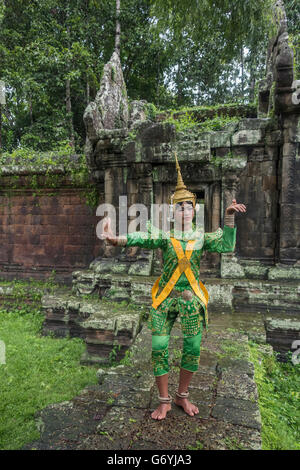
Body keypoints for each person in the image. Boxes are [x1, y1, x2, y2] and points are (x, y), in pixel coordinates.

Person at [102, 154, 246, 420]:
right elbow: (142, 238)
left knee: (192, 347)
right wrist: (115, 239)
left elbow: (226, 245)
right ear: (172, 211)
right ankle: (164, 400)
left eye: (188, 206)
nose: (184, 210)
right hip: (165, 298)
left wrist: (228, 217)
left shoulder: (202, 237)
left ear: (194, 210)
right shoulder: (164, 235)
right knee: (158, 347)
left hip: (191, 299)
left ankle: (182, 395)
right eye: (178, 207)